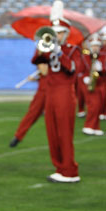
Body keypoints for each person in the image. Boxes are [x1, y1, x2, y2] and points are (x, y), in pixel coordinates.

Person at [32, 11, 83, 183]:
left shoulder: (72, 50)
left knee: (64, 133)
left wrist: (59, 54)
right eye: (55, 32)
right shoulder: (48, 49)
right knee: (52, 133)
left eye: (60, 32)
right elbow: (35, 60)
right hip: (51, 93)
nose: (56, 35)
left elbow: (74, 69)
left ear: (66, 34)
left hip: (65, 94)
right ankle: (60, 168)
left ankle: (70, 171)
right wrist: (42, 46)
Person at [9, 64, 48, 147]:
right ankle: (18, 136)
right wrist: (36, 78)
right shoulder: (41, 54)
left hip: (54, 90)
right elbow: (44, 73)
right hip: (43, 91)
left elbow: (46, 72)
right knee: (32, 114)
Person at [80, 33, 105, 136]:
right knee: (93, 106)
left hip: (101, 83)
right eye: (94, 46)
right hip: (90, 84)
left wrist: (101, 69)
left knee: (98, 106)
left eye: (97, 46)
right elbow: (80, 70)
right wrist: (85, 78)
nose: (95, 48)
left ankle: (95, 127)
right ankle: (88, 126)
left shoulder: (103, 57)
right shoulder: (85, 57)